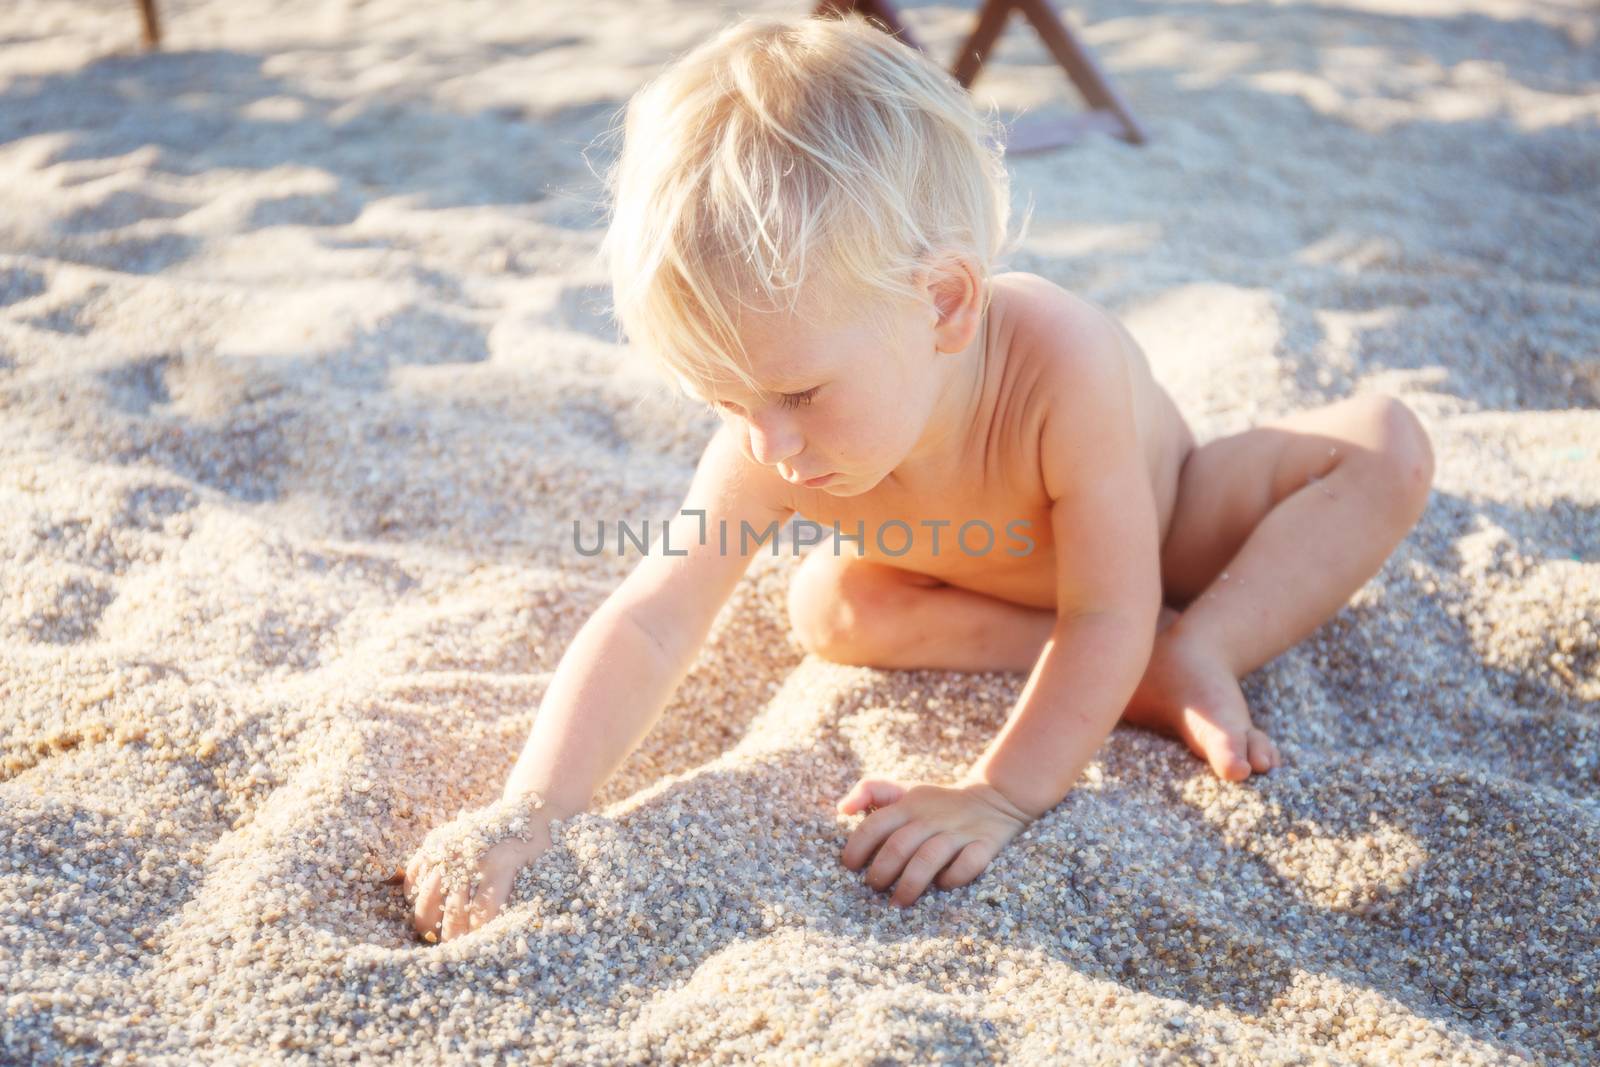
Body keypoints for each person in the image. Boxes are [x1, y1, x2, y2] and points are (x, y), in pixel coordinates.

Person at [401, 13, 1435, 941]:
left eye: (799, 393)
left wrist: (996, 794)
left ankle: (1200, 646)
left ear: (943, 302)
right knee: (831, 605)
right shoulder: (775, 421)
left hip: (1166, 532)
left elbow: (1107, 607)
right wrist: (531, 806)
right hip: (985, 584)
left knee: (1384, 442)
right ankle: (1152, 678)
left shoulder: (1054, 360)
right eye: (724, 399)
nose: (767, 443)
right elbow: (653, 615)